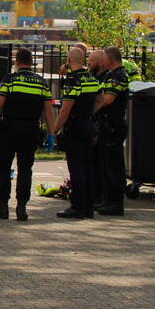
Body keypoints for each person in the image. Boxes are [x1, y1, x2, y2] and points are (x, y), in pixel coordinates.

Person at [0, 48, 56, 221]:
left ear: (17, 62)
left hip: (9, 129)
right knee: (25, 169)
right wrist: (51, 134)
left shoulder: (10, 80)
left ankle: (3, 206)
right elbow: (49, 112)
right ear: (31, 63)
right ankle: (21, 208)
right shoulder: (41, 82)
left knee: (3, 168)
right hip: (31, 130)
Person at [51, 47, 100, 219]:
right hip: (88, 125)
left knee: (76, 168)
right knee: (88, 167)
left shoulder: (73, 80)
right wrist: (88, 114)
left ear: (70, 60)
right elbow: (100, 99)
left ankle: (77, 206)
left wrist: (54, 129)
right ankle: (88, 207)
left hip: (75, 127)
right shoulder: (91, 78)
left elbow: (65, 110)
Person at [94, 46, 130, 216]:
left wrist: (91, 108)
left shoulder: (119, 76)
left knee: (114, 166)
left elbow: (107, 99)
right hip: (106, 125)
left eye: (105, 58)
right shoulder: (109, 75)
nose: (103, 61)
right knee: (105, 165)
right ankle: (107, 200)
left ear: (110, 59)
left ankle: (116, 203)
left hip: (114, 126)